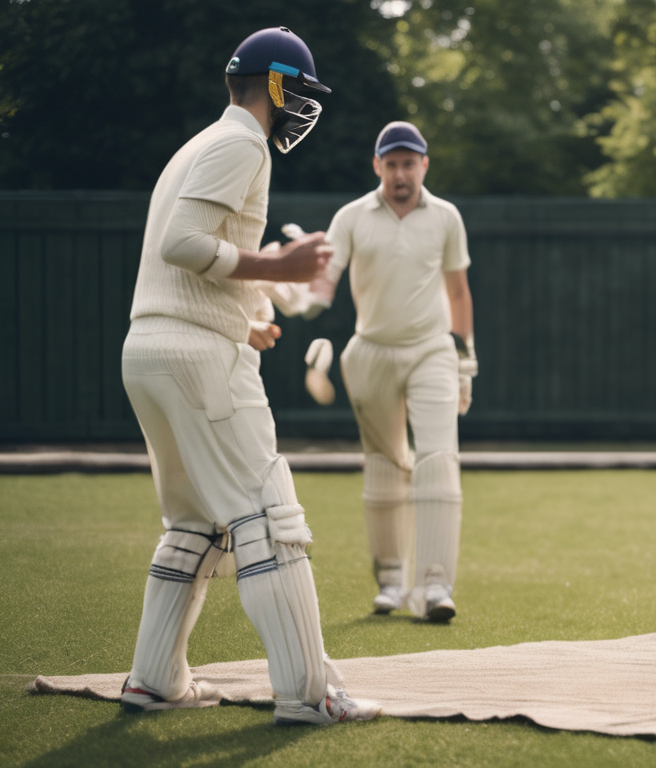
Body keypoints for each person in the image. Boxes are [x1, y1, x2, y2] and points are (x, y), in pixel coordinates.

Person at [118, 27, 380, 723]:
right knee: (267, 514)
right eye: (298, 92)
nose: (302, 108)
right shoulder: (242, 143)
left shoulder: (198, 145)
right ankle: (309, 692)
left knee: (196, 521)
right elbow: (183, 245)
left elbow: (192, 254)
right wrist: (278, 269)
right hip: (198, 358)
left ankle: (155, 680)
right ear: (272, 86)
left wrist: (248, 312)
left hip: (151, 349)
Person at [309, 120, 477, 621]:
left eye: (409, 163)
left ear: (424, 165)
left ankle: (435, 587)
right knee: (384, 466)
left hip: (432, 350)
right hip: (372, 352)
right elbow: (325, 282)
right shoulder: (351, 217)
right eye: (392, 163)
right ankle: (391, 581)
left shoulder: (446, 216)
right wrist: (303, 299)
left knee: (437, 459)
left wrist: (466, 361)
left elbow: (459, 293)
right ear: (377, 165)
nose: (400, 173)